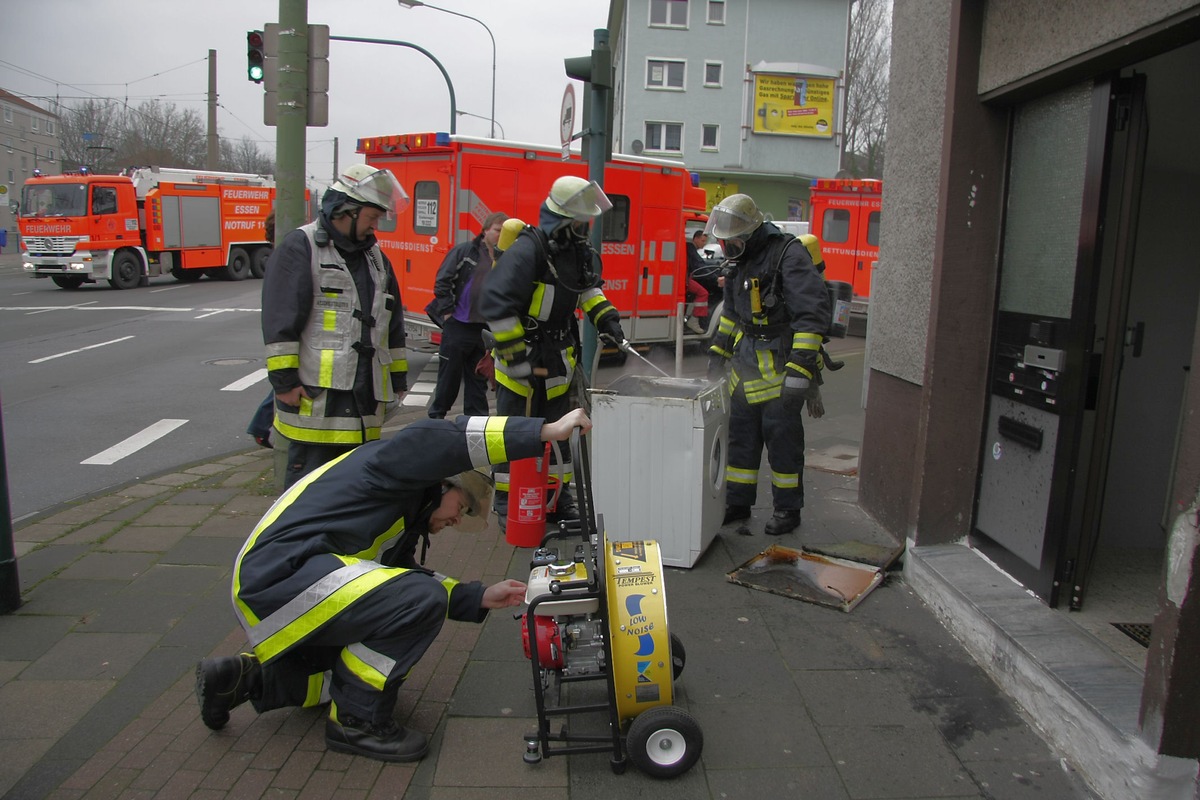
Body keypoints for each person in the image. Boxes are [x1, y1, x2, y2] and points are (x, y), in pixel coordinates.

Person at [194, 407, 594, 762]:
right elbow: (433, 437)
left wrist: (479, 596)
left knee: (335, 677)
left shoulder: (398, 506)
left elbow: (394, 579)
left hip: (282, 580)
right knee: (418, 604)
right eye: (463, 507)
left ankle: (238, 680)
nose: (458, 520)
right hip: (279, 579)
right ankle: (356, 721)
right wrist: (544, 431)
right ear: (443, 484)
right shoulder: (394, 470)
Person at [480, 176, 625, 525]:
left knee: (561, 434)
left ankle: (556, 501)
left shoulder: (579, 252)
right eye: (579, 219)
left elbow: (588, 291)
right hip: (525, 363)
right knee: (514, 434)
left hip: (558, 360)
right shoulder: (530, 249)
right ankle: (506, 500)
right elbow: (496, 302)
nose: (585, 225)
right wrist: (516, 357)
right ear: (562, 219)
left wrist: (608, 321)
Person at [261, 164, 410, 488]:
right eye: (372, 217)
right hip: (316, 405)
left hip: (363, 406)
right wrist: (284, 382)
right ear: (347, 211)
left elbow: (390, 323)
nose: (376, 225)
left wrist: (398, 378)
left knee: (351, 496)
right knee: (306, 498)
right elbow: (280, 319)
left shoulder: (375, 258)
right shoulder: (301, 248)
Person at [705, 193, 830, 536]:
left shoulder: (787, 254)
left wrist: (800, 372)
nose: (727, 250)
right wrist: (718, 353)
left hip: (780, 369)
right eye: (724, 245)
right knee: (740, 440)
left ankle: (788, 510)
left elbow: (812, 314)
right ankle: (737, 502)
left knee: (783, 444)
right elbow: (732, 314)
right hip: (744, 371)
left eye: (731, 244)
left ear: (749, 234)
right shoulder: (740, 261)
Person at [425, 212, 508, 418]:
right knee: (448, 379)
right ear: (486, 230)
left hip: (484, 330)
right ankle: (436, 421)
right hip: (458, 326)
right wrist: (447, 313)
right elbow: (443, 280)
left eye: (504, 231)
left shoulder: (505, 258)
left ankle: (474, 427)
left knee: (478, 381)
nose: (500, 234)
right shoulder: (465, 252)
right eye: (497, 230)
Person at [247, 208, 278, 448]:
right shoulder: (284, 257)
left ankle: (261, 426)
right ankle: (261, 426)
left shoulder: (277, 255)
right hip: (284, 333)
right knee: (285, 382)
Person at [684, 229, 711, 334]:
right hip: (684, 279)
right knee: (703, 293)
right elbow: (699, 265)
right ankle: (694, 320)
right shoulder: (690, 248)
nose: (704, 244)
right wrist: (715, 277)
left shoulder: (689, 248)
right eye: (702, 241)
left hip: (685, 277)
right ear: (695, 239)